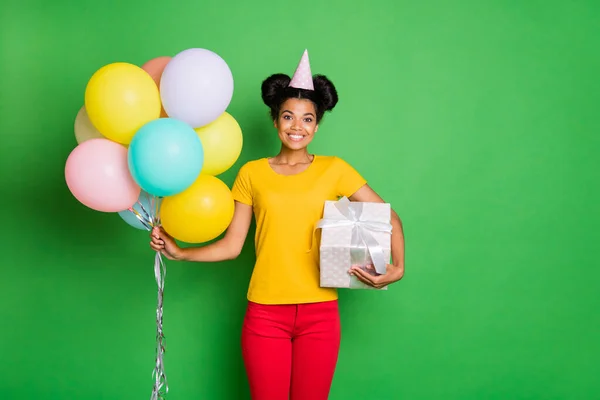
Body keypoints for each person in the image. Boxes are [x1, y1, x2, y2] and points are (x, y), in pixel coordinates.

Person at [150, 49, 405, 400]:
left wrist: (398, 267)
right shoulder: (251, 174)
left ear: (317, 125)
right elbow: (232, 245)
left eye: (307, 119)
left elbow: (390, 217)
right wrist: (181, 253)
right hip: (265, 315)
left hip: (320, 314)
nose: (297, 126)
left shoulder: (335, 170)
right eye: (288, 116)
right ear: (275, 120)